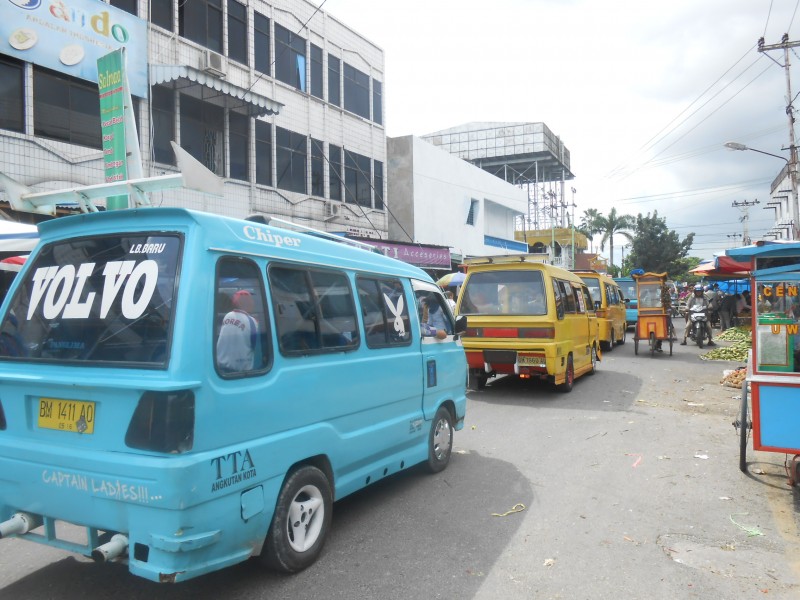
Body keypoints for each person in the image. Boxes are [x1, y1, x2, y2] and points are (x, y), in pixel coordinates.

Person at [216, 289, 260, 371]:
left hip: (219, 369)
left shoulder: (227, 316)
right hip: (241, 372)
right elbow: (255, 346)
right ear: (249, 304)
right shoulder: (252, 322)